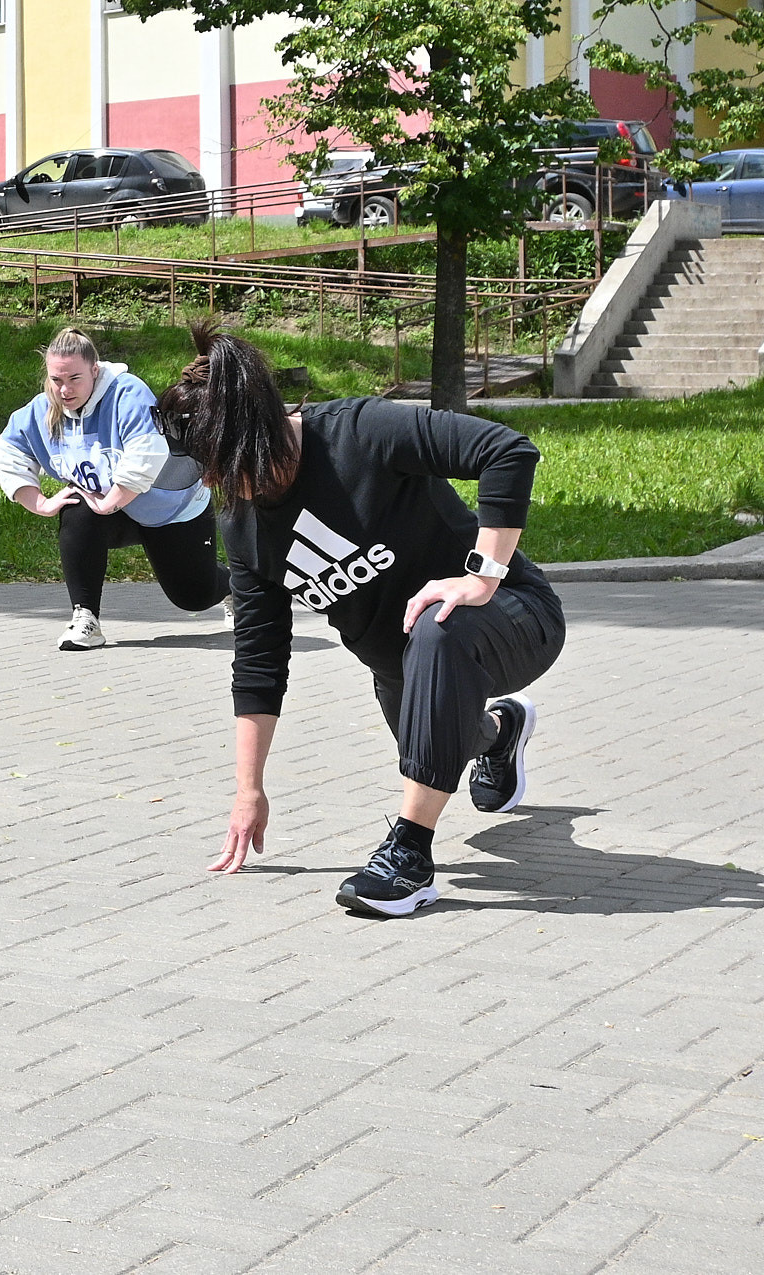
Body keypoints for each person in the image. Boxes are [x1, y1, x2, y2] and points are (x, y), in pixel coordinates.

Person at [156, 327, 564, 919]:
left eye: (217, 466)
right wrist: (249, 789)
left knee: (439, 630)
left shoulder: (359, 432)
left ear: (255, 438)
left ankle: (410, 857)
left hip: (511, 618)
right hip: (401, 669)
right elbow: (259, 661)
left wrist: (482, 575)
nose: (214, 483)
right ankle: (498, 733)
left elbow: (506, 450)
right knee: (437, 742)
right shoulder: (245, 531)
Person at [0, 326, 228, 652]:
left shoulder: (127, 394)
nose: (64, 389)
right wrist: (41, 504)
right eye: (56, 380)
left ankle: (235, 586)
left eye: (74, 379)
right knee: (75, 507)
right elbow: (8, 456)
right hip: (112, 510)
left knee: (194, 597)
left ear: (95, 369)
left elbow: (148, 452)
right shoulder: (40, 410)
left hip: (170, 509)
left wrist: (111, 502)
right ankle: (85, 618)